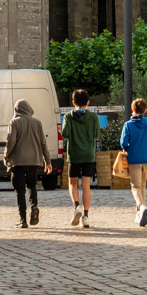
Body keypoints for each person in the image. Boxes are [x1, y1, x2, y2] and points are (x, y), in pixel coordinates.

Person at [1, 99, 53, 229]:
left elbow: (11, 141)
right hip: (34, 161)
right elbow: (43, 143)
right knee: (32, 185)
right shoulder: (37, 123)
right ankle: (34, 206)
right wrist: (48, 161)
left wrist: (6, 155)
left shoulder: (14, 122)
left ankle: (22, 219)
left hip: (17, 161)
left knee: (19, 190)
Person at [61, 89, 102, 227]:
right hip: (89, 155)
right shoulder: (93, 117)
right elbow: (97, 134)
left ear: (73, 102)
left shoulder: (68, 116)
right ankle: (85, 216)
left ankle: (76, 206)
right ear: (88, 102)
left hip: (74, 154)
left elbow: (65, 133)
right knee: (86, 185)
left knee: (72, 183)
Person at [120, 97, 147, 227]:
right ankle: (139, 214)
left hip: (134, 157)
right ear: (145, 110)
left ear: (133, 110)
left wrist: (130, 146)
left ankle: (141, 207)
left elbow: (123, 143)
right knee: (142, 185)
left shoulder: (128, 125)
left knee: (135, 186)